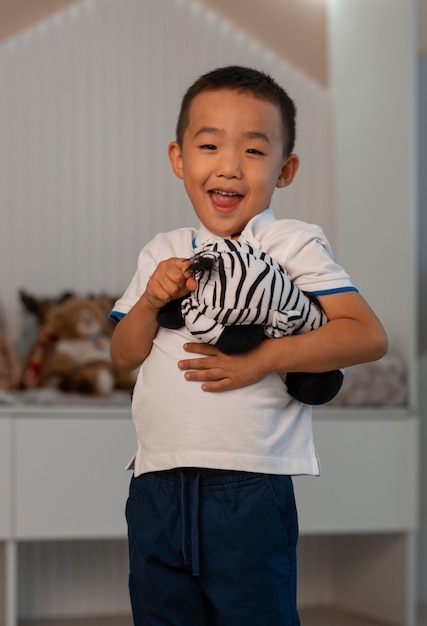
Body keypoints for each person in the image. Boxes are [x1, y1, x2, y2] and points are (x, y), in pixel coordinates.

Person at [109, 65, 388, 626]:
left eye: (254, 152)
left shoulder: (290, 242)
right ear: (179, 159)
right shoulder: (162, 250)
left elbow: (366, 334)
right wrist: (147, 302)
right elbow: (122, 356)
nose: (230, 166)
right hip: (156, 482)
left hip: (248, 487)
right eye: (209, 145)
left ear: (285, 170)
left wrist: (261, 359)